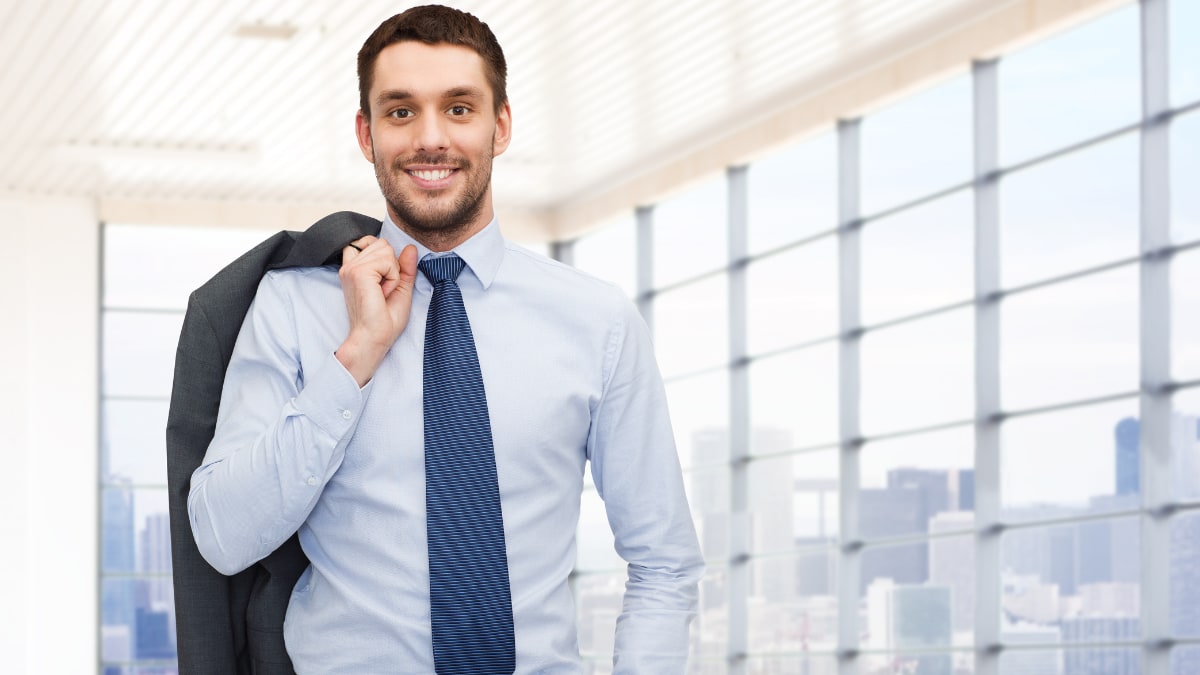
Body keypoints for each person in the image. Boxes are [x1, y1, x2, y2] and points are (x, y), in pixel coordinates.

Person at [188, 5, 703, 673]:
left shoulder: (596, 320)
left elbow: (663, 558)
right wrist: (355, 359)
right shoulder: (292, 307)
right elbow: (223, 535)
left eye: (459, 108)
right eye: (401, 112)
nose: (431, 138)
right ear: (366, 133)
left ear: (502, 125)